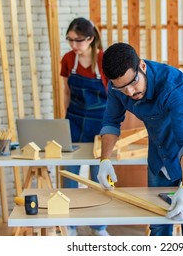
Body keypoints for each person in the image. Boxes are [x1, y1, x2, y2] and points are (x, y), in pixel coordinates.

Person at [97, 42, 183, 236]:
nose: (130, 93)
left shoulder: (173, 85)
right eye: (122, 89)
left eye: (133, 83)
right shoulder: (116, 86)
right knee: (158, 221)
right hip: (160, 150)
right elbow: (111, 121)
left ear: (142, 66)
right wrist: (104, 160)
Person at [60, 17, 109, 236]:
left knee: (99, 176)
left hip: (100, 124)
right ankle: (69, 224)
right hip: (75, 122)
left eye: (78, 41)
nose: (73, 45)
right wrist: (65, 121)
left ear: (90, 39)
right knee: (70, 174)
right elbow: (66, 92)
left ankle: (98, 227)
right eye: (69, 40)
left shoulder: (103, 59)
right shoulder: (68, 60)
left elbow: (115, 96)